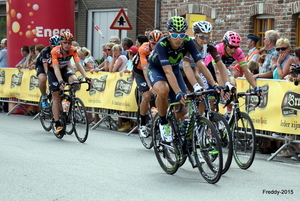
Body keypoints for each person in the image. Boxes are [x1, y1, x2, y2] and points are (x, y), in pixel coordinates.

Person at [147, 16, 222, 142]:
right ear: (168, 34)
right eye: (174, 35)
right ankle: (163, 122)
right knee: (163, 90)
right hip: (157, 70)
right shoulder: (162, 44)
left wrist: (214, 84)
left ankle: (180, 138)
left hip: (175, 70)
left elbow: (200, 65)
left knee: (182, 109)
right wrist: (177, 92)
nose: (178, 39)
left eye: (181, 35)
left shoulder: (188, 42)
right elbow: (167, 71)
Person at [204, 30, 262, 119]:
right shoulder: (218, 49)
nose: (233, 50)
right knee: (213, 100)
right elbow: (217, 71)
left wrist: (255, 88)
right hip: (208, 71)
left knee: (232, 85)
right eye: (231, 47)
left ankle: (227, 115)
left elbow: (246, 71)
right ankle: (207, 126)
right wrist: (223, 87)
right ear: (224, 44)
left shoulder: (238, 52)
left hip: (223, 70)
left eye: (236, 47)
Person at [48, 31, 91, 134]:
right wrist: (60, 81)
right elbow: (55, 67)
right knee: (56, 96)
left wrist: (86, 77)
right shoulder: (55, 51)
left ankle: (71, 102)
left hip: (64, 69)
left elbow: (78, 64)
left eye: (69, 43)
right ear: (61, 43)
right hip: (53, 71)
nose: (67, 45)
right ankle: (57, 123)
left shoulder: (73, 50)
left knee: (75, 81)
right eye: (65, 42)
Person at [133, 29, 163, 137]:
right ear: (149, 42)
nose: (155, 46)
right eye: (153, 44)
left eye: (157, 44)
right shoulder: (143, 49)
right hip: (140, 71)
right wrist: (150, 86)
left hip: (154, 70)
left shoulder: (163, 47)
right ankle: (143, 124)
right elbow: (145, 69)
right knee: (146, 96)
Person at [36, 35, 60, 109]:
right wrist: (47, 73)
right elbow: (45, 65)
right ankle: (43, 97)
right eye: (53, 46)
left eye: (57, 45)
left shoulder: (60, 50)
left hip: (53, 66)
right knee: (43, 79)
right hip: (41, 66)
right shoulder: (45, 51)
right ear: (50, 45)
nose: (55, 47)